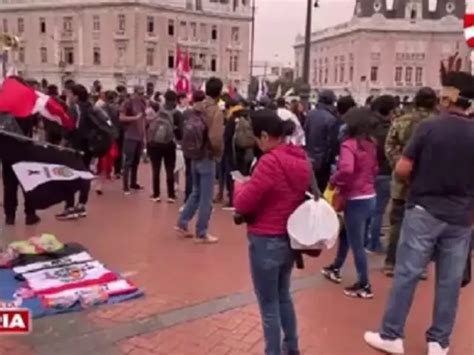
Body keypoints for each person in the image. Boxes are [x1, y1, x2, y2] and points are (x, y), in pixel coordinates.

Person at [364, 71, 474, 355]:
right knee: (449, 282)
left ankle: (392, 335)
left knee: (408, 273)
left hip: (425, 209)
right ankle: (439, 341)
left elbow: (403, 168)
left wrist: (418, 181)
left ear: (448, 97)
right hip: (461, 218)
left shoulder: (429, 127)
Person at [233, 109, 311, 355]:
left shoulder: (269, 162)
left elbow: (244, 204)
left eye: (258, 138)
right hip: (289, 239)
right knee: (283, 296)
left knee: (269, 305)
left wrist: (239, 186)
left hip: (266, 239)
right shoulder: (300, 159)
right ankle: (292, 347)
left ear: (266, 136)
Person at [321, 107, 378, 299]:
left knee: (357, 244)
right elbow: (374, 168)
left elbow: (346, 169)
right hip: (369, 196)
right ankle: (336, 266)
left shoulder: (349, 145)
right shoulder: (370, 144)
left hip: (355, 198)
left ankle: (364, 284)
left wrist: (333, 180)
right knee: (346, 234)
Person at [382, 87, 437, 277]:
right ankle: (419, 267)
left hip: (401, 181)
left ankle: (391, 263)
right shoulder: (438, 124)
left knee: (397, 222)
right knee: (424, 228)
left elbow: (389, 145)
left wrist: (399, 164)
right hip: (429, 183)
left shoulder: (401, 120)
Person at [176, 77, 224, 244]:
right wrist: (218, 153)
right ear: (219, 92)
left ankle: (182, 222)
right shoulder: (215, 111)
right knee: (206, 197)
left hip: (194, 154)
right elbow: (215, 138)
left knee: (196, 192)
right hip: (207, 156)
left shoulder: (198, 106)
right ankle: (201, 232)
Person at [56, 84, 94, 220]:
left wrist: (62, 145)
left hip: (75, 146)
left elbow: (69, 128)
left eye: (70, 94)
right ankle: (82, 205)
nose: (68, 97)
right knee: (84, 174)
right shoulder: (90, 107)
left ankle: (70, 207)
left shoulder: (74, 108)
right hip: (88, 146)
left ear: (76, 96)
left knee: (69, 175)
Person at [366, 95, 396, 253]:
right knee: (378, 210)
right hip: (384, 171)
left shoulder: (368, 127)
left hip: (368, 171)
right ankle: (374, 243)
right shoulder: (390, 129)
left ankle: (366, 239)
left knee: (368, 208)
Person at [2, 113, 40, 226]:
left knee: (9, 186)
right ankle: (30, 214)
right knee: (27, 185)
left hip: (7, 154)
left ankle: (10, 215)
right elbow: (29, 134)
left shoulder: (3, 116)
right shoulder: (26, 114)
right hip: (24, 154)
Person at [148, 90, 183, 203]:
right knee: (169, 169)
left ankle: (156, 194)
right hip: (169, 144)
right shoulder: (177, 114)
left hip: (154, 144)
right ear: (175, 101)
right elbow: (179, 134)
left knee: (155, 169)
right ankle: (170, 195)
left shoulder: (158, 110)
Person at [304, 89, 339, 192]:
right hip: (323, 161)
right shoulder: (331, 118)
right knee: (320, 189)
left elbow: (305, 132)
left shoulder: (310, 115)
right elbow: (331, 143)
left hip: (309, 156)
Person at [120, 85, 146, 195]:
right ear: (134, 93)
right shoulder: (128, 103)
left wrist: (144, 136)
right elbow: (121, 117)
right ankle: (125, 186)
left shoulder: (142, 103)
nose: (141, 96)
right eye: (139, 93)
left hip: (139, 136)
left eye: (142, 94)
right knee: (128, 162)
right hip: (130, 136)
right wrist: (134, 118)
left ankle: (133, 183)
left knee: (136, 161)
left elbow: (144, 119)